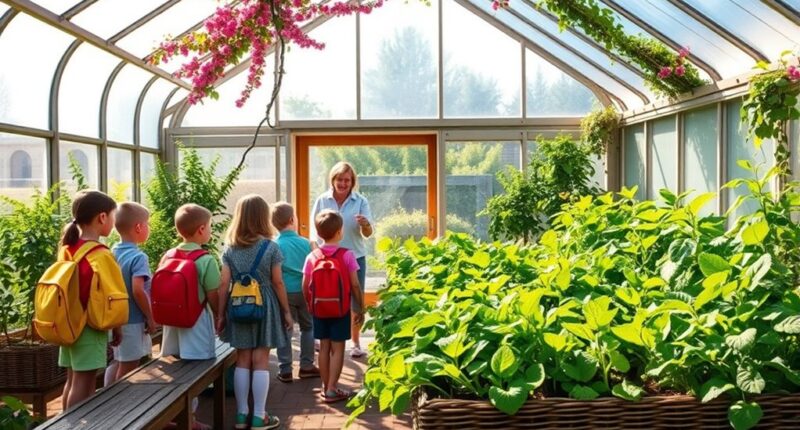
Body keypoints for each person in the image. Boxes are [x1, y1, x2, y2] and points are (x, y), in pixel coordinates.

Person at [217, 195, 293, 430]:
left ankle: (241, 415)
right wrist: (286, 311)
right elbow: (278, 282)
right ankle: (259, 416)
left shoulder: (230, 250)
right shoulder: (272, 248)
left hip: (238, 306)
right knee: (261, 359)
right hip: (266, 306)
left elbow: (223, 284)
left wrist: (220, 314)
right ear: (263, 218)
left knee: (242, 360)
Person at [58, 190, 124, 410]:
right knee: (84, 384)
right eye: (112, 216)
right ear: (102, 217)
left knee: (71, 381)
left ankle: (65, 425)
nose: (113, 222)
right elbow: (111, 296)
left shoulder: (68, 248)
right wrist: (117, 326)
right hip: (89, 327)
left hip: (68, 323)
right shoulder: (100, 254)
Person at [159, 203, 220, 430]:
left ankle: (174, 415)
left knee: (176, 372)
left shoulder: (168, 255)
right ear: (202, 229)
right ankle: (190, 420)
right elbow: (213, 294)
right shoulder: (205, 259)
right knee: (195, 375)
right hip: (196, 322)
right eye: (210, 226)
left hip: (172, 322)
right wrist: (219, 316)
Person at [310, 161, 373, 358]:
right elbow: (314, 232)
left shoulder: (361, 201)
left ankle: (355, 342)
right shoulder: (322, 200)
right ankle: (323, 339)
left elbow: (368, 233)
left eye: (347, 180)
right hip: (327, 259)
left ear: (352, 182)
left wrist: (365, 224)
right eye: (340, 179)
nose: (343, 183)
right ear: (333, 180)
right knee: (326, 297)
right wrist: (316, 256)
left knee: (356, 299)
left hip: (354, 257)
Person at [302, 210, 365, 403]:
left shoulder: (312, 256)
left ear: (319, 233)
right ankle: (332, 388)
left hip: (319, 309)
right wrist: (360, 307)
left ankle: (324, 385)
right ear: (340, 232)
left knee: (324, 347)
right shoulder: (347, 255)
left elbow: (305, 284)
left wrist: (310, 305)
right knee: (338, 348)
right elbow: (355, 284)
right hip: (340, 309)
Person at [105, 202, 157, 385]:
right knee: (129, 366)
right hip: (133, 321)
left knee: (117, 361)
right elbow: (138, 290)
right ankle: (120, 404)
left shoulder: (112, 252)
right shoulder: (138, 257)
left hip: (115, 320)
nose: (148, 228)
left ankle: (105, 398)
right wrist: (150, 317)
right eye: (147, 224)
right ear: (138, 227)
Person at [272, 202, 320, 383]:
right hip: (306, 291)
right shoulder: (307, 243)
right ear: (292, 220)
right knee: (308, 327)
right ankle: (306, 365)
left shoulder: (274, 245)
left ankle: (285, 369)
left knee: (286, 329)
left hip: (284, 292)